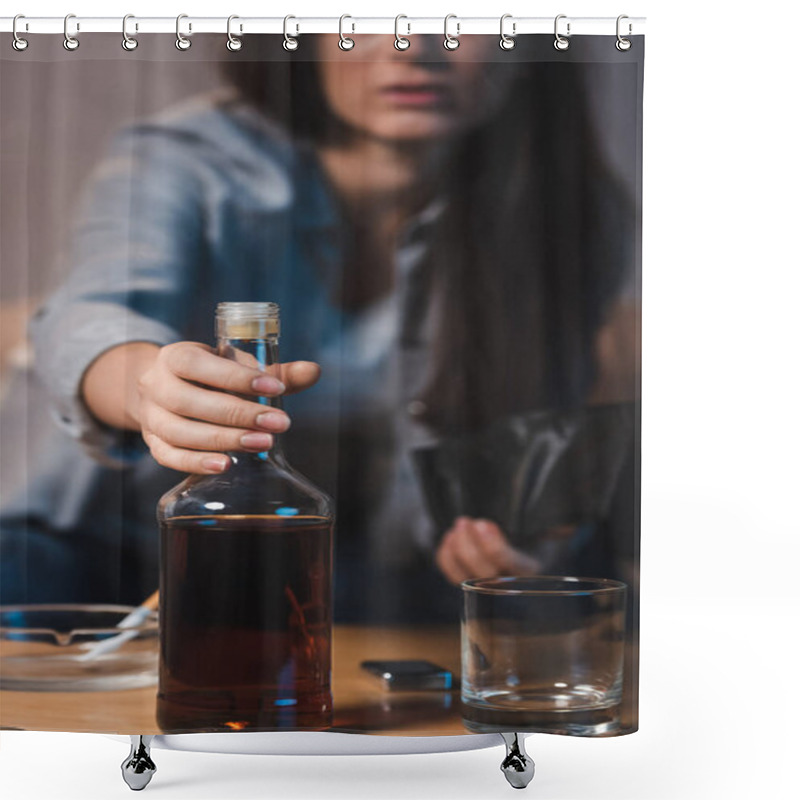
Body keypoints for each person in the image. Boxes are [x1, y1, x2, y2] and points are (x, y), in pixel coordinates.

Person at [0, 35, 639, 622]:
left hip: (359, 579)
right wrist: (149, 387)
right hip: (91, 557)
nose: (412, 47)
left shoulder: (568, 218)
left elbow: (527, 461)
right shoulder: (186, 161)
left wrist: (511, 548)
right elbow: (89, 314)